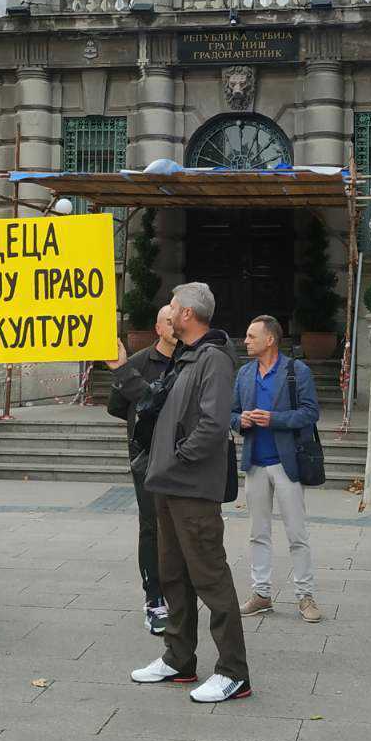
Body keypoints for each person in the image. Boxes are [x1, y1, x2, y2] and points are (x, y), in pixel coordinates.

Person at [130, 282, 251, 704]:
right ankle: (178, 658)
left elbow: (213, 425)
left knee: (210, 577)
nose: (169, 312)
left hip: (191, 487)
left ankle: (233, 671)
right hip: (168, 484)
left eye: (173, 307)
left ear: (187, 315)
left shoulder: (213, 359)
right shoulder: (187, 357)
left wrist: (178, 458)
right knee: (173, 576)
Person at [232, 315, 322, 624]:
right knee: (258, 533)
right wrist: (239, 421)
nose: (245, 341)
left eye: (250, 336)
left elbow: (310, 413)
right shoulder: (244, 374)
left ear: (270, 339)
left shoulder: (297, 371)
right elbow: (230, 413)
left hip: (288, 464)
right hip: (255, 462)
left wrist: (274, 419)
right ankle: (261, 594)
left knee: (297, 533)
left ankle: (305, 596)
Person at [105, 303, 178, 635]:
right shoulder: (136, 363)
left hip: (179, 457)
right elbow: (117, 406)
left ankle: (177, 592)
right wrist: (143, 425)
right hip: (145, 458)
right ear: (158, 328)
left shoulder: (188, 361)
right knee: (151, 526)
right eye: (168, 321)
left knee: (177, 527)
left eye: (177, 320)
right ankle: (154, 599)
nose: (174, 326)